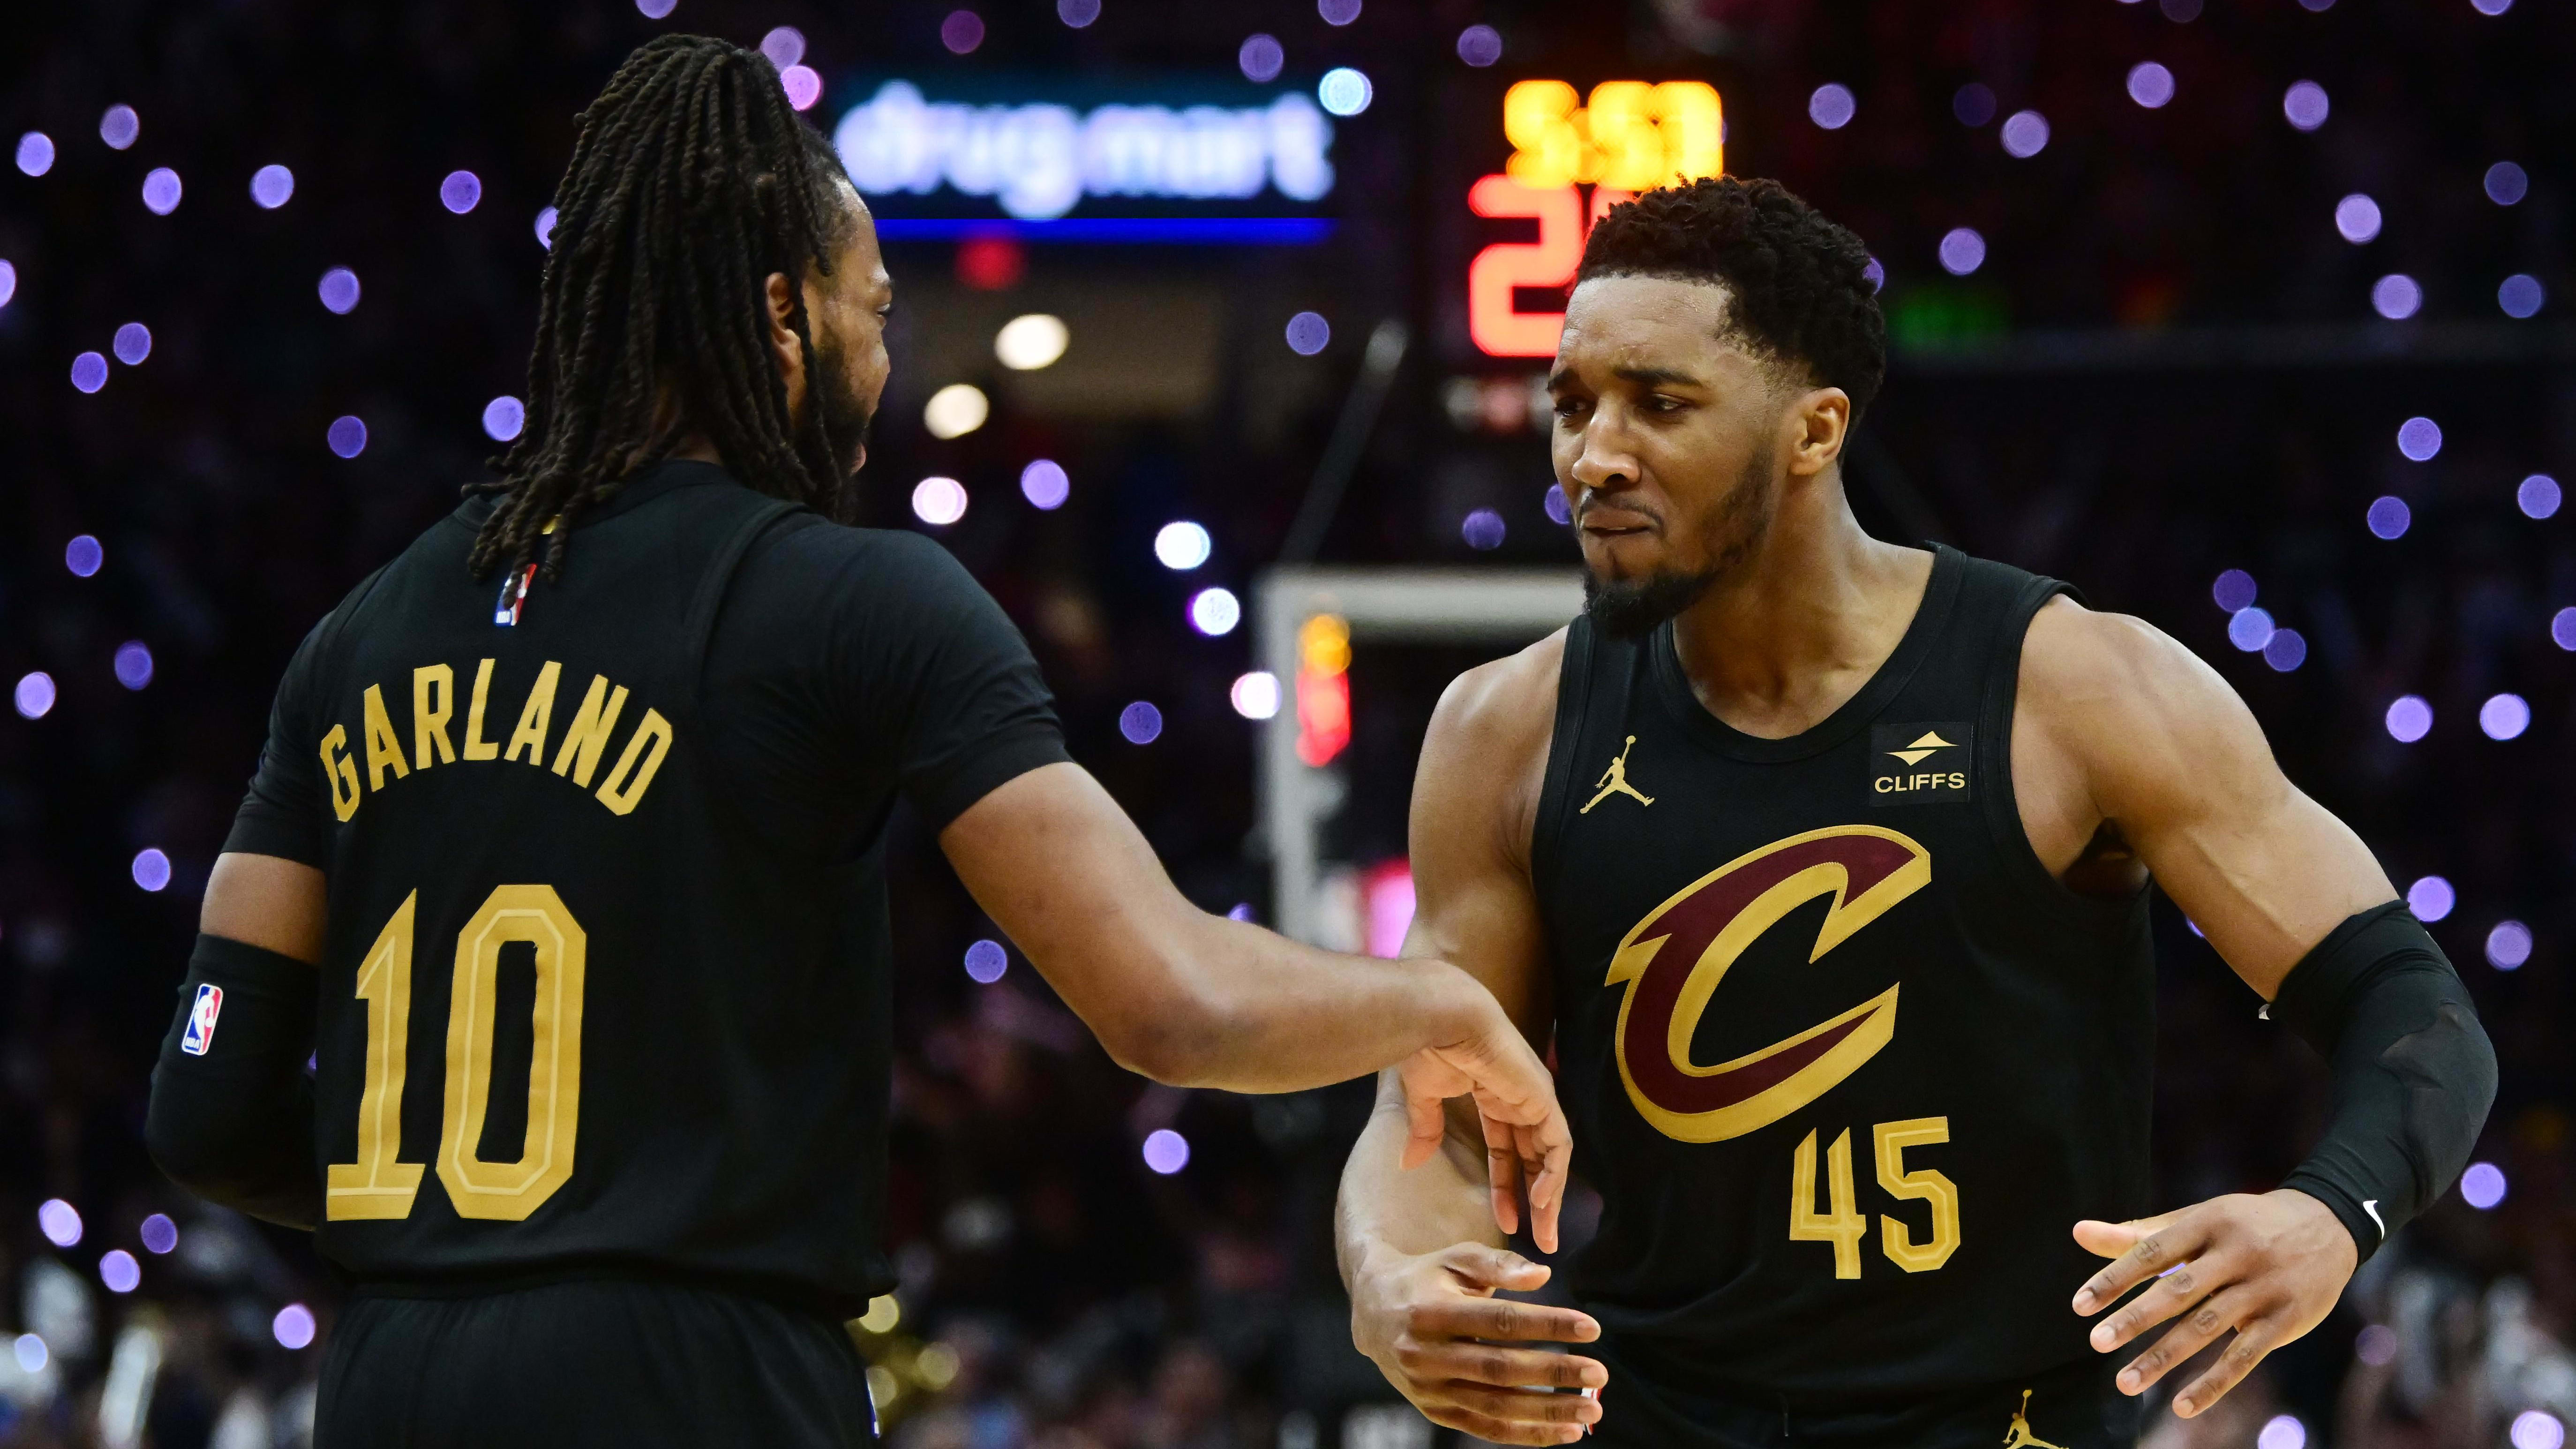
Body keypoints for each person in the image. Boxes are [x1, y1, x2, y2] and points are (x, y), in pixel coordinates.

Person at [142, 36, 1568, 1449]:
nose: (887, 366)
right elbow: (1167, 999)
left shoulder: (358, 634)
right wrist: (1436, 1003)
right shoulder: (858, 596)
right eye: (876, 313)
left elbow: (206, 1109)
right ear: (783, 316)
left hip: (393, 1369)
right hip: (697, 1373)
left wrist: (469, 1232)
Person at [1335, 176, 2498, 1449]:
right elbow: (1430, 1121)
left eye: (1660, 403)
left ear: (1816, 431)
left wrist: (2333, 1211)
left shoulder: (2077, 684)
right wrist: (1390, 1277)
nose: (1593, 455)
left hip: (2012, 1423)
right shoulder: (1503, 729)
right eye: (1574, 405)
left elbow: (2414, 1005)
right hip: (1662, 1416)